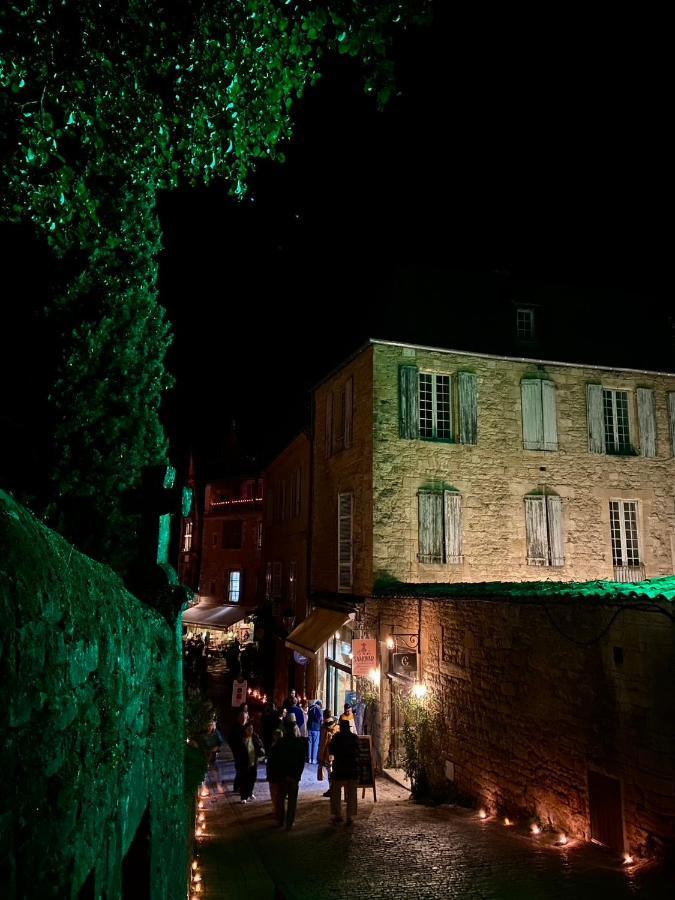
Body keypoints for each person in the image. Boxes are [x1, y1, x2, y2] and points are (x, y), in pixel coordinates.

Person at [267, 713, 306, 830]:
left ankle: (280, 821)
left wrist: (277, 775)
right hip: (293, 777)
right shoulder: (299, 743)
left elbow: (275, 761)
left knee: (280, 799)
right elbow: (301, 762)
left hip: (282, 777)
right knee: (292, 801)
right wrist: (297, 775)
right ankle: (289, 822)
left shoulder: (280, 743)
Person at [329, 718, 360, 825]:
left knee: (335, 792)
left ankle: (338, 815)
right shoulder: (354, 738)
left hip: (339, 770)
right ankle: (349, 816)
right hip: (352, 770)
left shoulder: (336, 738)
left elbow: (331, 750)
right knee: (352, 794)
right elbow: (358, 752)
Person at [236, 722, 264, 803]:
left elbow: (260, 746)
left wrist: (260, 749)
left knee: (252, 779)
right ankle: (243, 797)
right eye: (249, 729)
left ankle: (250, 793)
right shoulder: (242, 739)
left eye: (252, 729)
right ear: (245, 730)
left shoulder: (255, 737)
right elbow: (238, 751)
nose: (251, 730)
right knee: (244, 780)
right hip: (244, 763)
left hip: (253, 762)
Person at [317, 708, 339, 796]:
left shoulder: (324, 727)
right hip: (337, 751)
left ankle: (332, 789)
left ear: (324, 715)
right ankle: (334, 788)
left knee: (330, 771)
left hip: (328, 752)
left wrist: (321, 756)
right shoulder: (336, 725)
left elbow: (323, 742)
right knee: (334, 770)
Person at [307, 700, 323, 765]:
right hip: (316, 729)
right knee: (315, 744)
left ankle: (309, 759)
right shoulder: (318, 709)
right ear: (319, 705)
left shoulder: (310, 708)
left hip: (310, 728)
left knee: (310, 743)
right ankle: (314, 759)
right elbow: (320, 719)